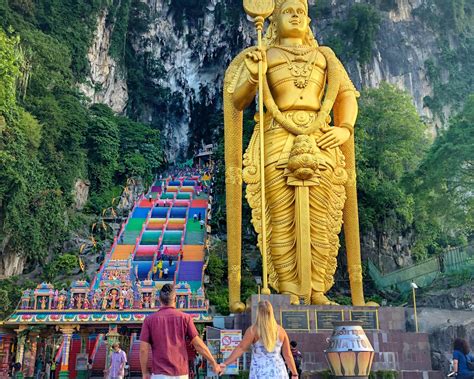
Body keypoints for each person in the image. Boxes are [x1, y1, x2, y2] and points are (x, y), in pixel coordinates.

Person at [139, 284, 222, 378]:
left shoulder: (149, 320)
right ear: (175, 299)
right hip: (180, 373)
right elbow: (198, 344)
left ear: (159, 300)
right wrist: (213, 363)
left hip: (159, 374)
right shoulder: (185, 318)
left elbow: (143, 349)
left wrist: (145, 372)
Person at [220, 300, 298, 379]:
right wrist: (295, 374)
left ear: (258, 313)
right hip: (279, 372)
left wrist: (225, 364)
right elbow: (288, 355)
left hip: (259, 372)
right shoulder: (281, 331)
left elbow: (241, 348)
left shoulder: (253, 331)